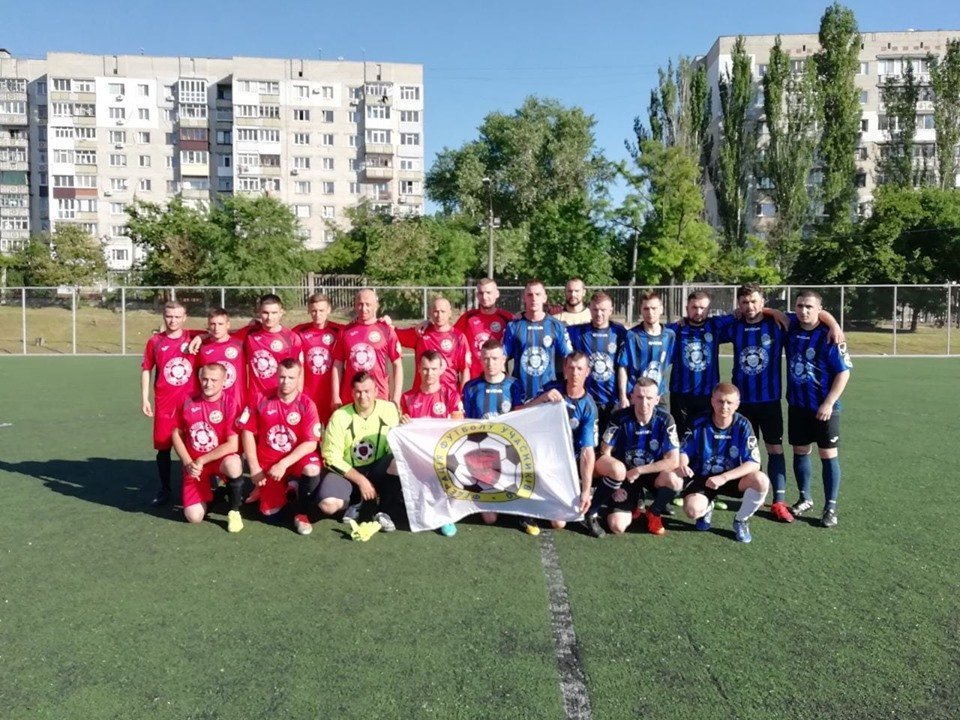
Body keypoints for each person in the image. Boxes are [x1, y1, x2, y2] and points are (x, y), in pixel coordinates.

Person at [721, 284, 843, 523]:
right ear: (739, 305)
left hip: (770, 402)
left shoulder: (779, 324)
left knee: (775, 449)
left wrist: (835, 325)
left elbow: (815, 312)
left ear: (763, 302)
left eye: (754, 301)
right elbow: (707, 325)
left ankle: (780, 501)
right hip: (742, 403)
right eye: (744, 302)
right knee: (744, 451)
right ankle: (747, 494)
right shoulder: (735, 325)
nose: (750, 306)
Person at [785, 291, 852, 528]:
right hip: (798, 405)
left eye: (809, 307)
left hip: (825, 408)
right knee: (800, 450)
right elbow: (768, 312)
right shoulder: (791, 326)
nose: (803, 311)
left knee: (827, 455)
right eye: (799, 306)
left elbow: (844, 372)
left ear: (819, 309)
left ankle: (830, 507)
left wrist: (828, 403)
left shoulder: (830, 336)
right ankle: (805, 498)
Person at [236, 359, 323, 534]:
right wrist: (254, 467)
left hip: (296, 461)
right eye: (282, 377)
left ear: (299, 378)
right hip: (269, 464)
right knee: (271, 514)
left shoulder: (307, 404)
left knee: (312, 468)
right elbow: (247, 432)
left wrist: (283, 464)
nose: (286, 382)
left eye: (291, 377)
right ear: (276, 376)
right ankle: (281, 488)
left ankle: (301, 513)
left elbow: (311, 443)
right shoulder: (260, 398)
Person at [678, 383, 769, 543]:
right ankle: (707, 507)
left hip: (731, 479)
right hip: (703, 478)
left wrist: (724, 477)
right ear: (712, 401)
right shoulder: (698, 422)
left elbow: (754, 463)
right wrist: (683, 464)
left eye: (729, 402)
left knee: (761, 480)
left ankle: (741, 520)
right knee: (692, 510)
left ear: (737, 404)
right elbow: (684, 451)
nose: (724, 406)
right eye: (720, 401)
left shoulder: (743, 425)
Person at [589, 378, 681, 536]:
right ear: (632, 397)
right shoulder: (619, 418)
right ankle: (634, 499)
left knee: (675, 481)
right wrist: (614, 487)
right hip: (625, 476)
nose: (644, 403)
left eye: (649, 398)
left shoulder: (666, 420)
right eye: (639, 397)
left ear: (657, 399)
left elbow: (673, 460)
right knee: (617, 526)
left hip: (651, 473)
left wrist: (639, 470)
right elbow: (605, 452)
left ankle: (654, 512)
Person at [317, 371, 404, 531]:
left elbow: (396, 447)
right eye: (358, 391)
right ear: (352, 392)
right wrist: (361, 481)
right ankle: (356, 500)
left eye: (367, 391)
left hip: (377, 469)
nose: (363, 396)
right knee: (328, 505)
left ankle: (383, 510)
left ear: (376, 391)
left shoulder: (389, 409)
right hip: (349, 473)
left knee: (397, 462)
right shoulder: (339, 416)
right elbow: (330, 457)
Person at [526, 352, 598, 534]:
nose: (575, 373)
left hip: (568, 462)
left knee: (559, 523)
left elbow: (587, 451)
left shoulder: (588, 406)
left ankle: (590, 508)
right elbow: (521, 413)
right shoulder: (550, 389)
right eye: (571, 368)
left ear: (587, 372)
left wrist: (585, 490)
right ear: (565, 368)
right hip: (542, 456)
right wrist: (542, 399)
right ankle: (526, 510)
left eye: (580, 369)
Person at [140, 300, 201, 506]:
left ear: (185, 318)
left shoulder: (193, 336)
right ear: (163, 317)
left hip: (191, 403)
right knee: (163, 447)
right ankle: (165, 489)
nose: (173, 320)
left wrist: (200, 337)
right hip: (165, 404)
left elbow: (217, 332)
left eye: (177, 317)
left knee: (196, 444)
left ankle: (199, 487)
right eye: (169, 316)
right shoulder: (155, 341)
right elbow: (146, 369)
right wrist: (145, 398)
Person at [171, 363, 244, 531]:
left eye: (214, 380)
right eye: (204, 379)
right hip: (194, 465)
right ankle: (220, 493)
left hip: (218, 460)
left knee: (234, 464)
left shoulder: (230, 403)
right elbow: (176, 434)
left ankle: (234, 511)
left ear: (224, 381)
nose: (208, 384)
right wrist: (188, 462)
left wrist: (202, 460)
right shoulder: (186, 400)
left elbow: (233, 444)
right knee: (194, 517)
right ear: (199, 378)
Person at [399, 350, 465, 537]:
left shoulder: (451, 395)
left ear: (441, 369)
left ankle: (445, 514)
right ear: (419, 369)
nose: (430, 373)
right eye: (426, 369)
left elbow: (458, 429)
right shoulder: (408, 398)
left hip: (443, 454)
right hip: (418, 457)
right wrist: (402, 423)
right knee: (395, 467)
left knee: (457, 477)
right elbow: (402, 435)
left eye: (434, 369)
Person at [330, 288, 403, 411]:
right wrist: (335, 396)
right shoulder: (345, 331)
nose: (364, 309)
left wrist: (396, 397)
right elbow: (337, 365)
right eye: (360, 304)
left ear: (376, 306)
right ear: (355, 305)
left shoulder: (386, 330)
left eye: (368, 304)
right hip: (351, 397)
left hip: (379, 397)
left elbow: (397, 365)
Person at [502, 279, 573, 401]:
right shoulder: (513, 326)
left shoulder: (556, 326)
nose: (534, 298)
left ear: (544, 298)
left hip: (549, 393)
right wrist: (505, 386)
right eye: (529, 295)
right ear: (524, 298)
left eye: (538, 294)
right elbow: (502, 359)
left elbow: (568, 358)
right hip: (520, 394)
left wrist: (566, 388)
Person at [567, 291, 627, 435]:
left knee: (609, 442)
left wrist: (623, 396)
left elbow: (623, 366)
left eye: (603, 310)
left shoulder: (619, 332)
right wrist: (522, 315)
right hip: (586, 400)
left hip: (611, 400)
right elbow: (553, 327)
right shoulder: (578, 331)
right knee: (586, 441)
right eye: (595, 309)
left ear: (611, 310)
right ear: (590, 309)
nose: (599, 314)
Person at [396, 296, 470, 393]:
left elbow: (465, 370)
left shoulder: (459, 337)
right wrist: (386, 322)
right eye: (436, 311)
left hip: (449, 394)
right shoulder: (421, 332)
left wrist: (464, 396)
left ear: (450, 313)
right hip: (423, 394)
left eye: (443, 311)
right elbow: (394, 334)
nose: (439, 315)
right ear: (430, 313)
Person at [616, 290, 676, 408]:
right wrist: (623, 396)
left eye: (654, 308)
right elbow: (623, 367)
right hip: (637, 395)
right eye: (646, 309)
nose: (650, 312)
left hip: (659, 395)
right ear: (641, 310)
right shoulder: (632, 336)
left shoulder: (670, 336)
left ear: (661, 309)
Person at [242, 294, 304, 406]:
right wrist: (205, 337)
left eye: (274, 313)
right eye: (265, 313)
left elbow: (299, 370)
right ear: (259, 312)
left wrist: (297, 398)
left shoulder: (291, 338)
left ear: (281, 312)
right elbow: (222, 338)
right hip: (255, 399)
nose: (269, 317)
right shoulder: (249, 333)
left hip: (280, 400)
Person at [292, 293, 342, 426]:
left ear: (329, 310)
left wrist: (383, 321)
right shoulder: (299, 332)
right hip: (309, 394)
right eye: (314, 310)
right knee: (310, 432)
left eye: (321, 310)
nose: (317, 314)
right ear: (309, 310)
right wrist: (255, 326)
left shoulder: (339, 331)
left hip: (333, 394)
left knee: (333, 432)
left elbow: (360, 328)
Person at [454, 278, 515, 379]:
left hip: (499, 380)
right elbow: (448, 334)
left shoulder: (508, 318)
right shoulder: (468, 317)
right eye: (481, 293)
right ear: (477, 295)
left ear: (497, 294)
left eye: (488, 293)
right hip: (473, 379)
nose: (484, 297)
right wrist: (430, 324)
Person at [194, 308, 246, 411]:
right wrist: (199, 337)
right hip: (212, 406)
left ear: (228, 325)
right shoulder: (203, 348)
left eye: (220, 324)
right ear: (208, 325)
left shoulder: (240, 343)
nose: (216, 328)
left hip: (237, 403)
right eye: (213, 324)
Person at [461, 339, 524, 420]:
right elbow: (466, 420)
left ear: (503, 359)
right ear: (480, 360)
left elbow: (521, 417)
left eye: (495, 358)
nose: (490, 364)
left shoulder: (515, 385)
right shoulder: (470, 387)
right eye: (486, 359)